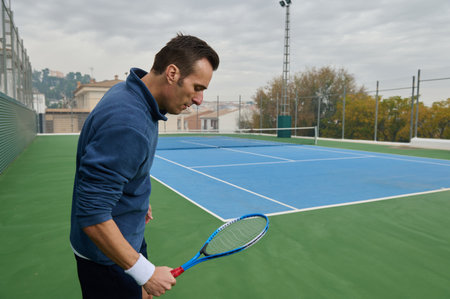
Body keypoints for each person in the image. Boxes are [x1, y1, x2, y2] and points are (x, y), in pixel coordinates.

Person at [70, 34, 220, 298]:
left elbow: (118, 169)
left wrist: (135, 201)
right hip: (108, 259)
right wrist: (144, 273)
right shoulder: (129, 123)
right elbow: (92, 215)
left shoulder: (130, 92)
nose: (199, 100)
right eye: (197, 87)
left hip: (123, 237)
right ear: (172, 73)